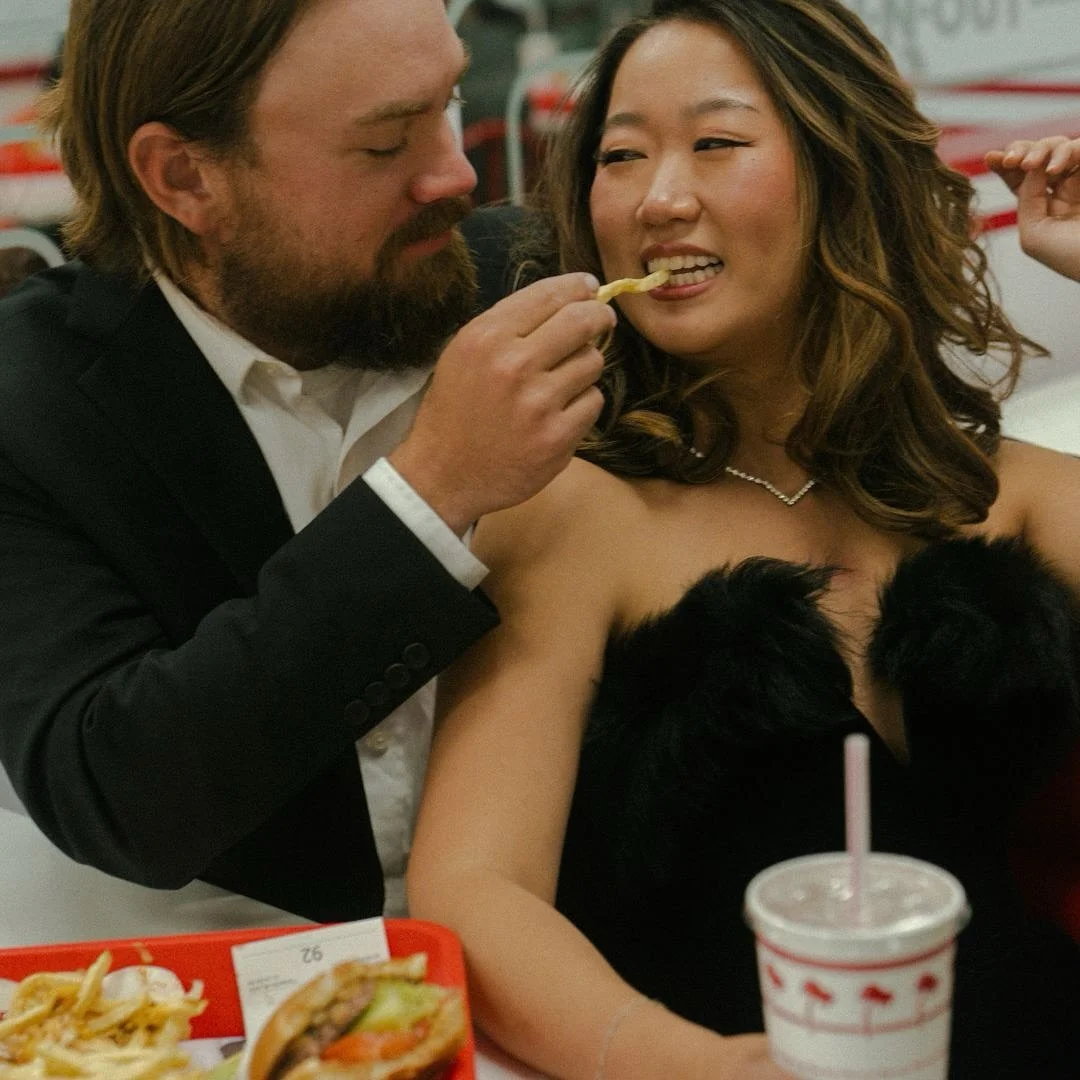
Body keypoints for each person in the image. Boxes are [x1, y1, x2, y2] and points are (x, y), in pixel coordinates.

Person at [406, 2, 1080, 1078]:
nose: (661, 198)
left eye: (716, 144)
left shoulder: (1000, 490)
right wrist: (684, 1063)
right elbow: (473, 886)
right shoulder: (564, 508)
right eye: (621, 156)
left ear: (842, 172)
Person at [0, 0, 616, 923]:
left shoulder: (536, 287)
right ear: (184, 178)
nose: (455, 175)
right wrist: (431, 491)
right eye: (383, 145)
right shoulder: (32, 402)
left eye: (445, 104)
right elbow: (119, 793)